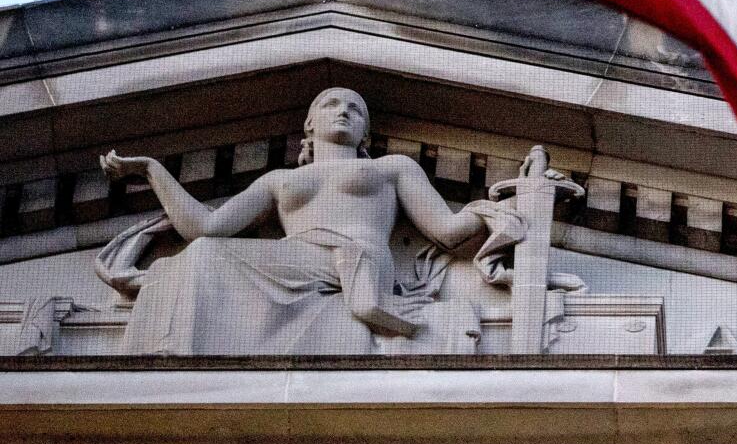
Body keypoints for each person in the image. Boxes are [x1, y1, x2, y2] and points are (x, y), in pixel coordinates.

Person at [100, 87, 503, 354]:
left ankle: (378, 308)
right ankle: (177, 356)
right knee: (199, 254)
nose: (344, 112)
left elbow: (448, 231)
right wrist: (152, 171)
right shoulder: (280, 180)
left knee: (203, 257)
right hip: (296, 260)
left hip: (356, 258)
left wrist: (498, 211)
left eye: (356, 110)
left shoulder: (390, 168)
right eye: (332, 105)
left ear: (365, 132)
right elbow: (204, 228)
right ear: (309, 124)